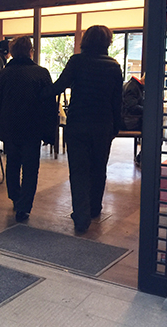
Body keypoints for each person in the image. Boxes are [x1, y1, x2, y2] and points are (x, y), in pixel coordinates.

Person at [48, 25, 123, 233]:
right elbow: (117, 101)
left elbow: (58, 86)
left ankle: (81, 217)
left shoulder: (77, 62)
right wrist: (115, 127)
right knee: (99, 168)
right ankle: (94, 208)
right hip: (103, 124)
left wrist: (38, 90)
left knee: (79, 171)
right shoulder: (114, 66)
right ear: (107, 42)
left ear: (86, 40)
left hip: (78, 124)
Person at [0, 36, 57, 223]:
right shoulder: (41, 73)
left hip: (9, 127)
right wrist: (50, 132)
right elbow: (49, 105)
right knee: (31, 168)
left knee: (13, 163)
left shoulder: (3, 74)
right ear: (30, 51)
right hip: (33, 128)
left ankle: (15, 197)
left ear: (12, 52)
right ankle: (24, 206)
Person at [122, 73, 145, 166]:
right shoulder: (133, 88)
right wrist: (148, 110)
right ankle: (143, 157)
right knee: (154, 130)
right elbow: (132, 107)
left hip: (127, 120)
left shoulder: (133, 85)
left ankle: (142, 157)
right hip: (129, 122)